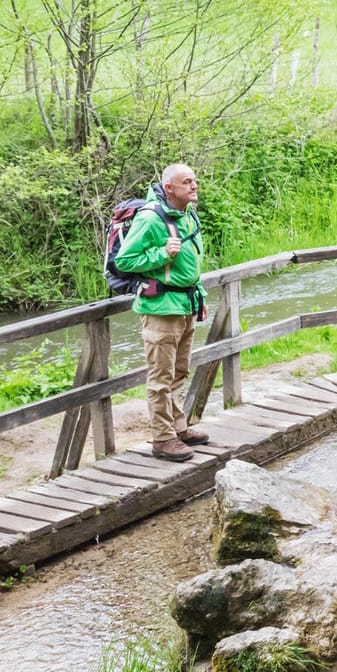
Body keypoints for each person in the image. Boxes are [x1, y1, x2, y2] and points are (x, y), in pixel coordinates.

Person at [113, 162, 209, 462]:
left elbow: (190, 263)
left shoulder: (187, 214)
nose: (194, 186)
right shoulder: (151, 219)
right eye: (187, 182)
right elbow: (124, 261)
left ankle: (179, 428)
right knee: (160, 378)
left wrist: (200, 294)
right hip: (161, 309)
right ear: (169, 187)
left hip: (185, 304)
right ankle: (162, 439)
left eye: (194, 180)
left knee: (179, 372)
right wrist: (161, 253)